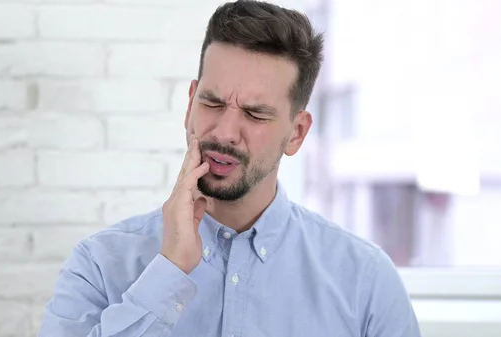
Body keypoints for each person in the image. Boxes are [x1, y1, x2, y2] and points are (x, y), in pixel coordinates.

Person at [38, 1, 421, 336]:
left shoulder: (366, 282)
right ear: (190, 104)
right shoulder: (100, 264)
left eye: (255, 114)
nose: (224, 133)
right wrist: (168, 271)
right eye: (212, 103)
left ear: (296, 133)